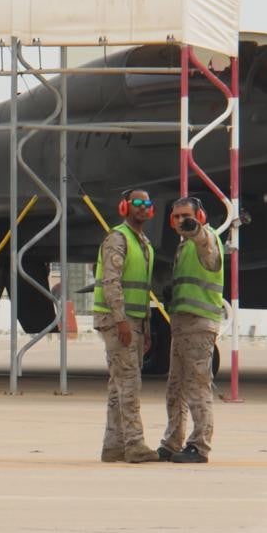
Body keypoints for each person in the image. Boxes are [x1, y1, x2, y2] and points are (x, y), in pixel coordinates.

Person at [92, 189, 161, 464]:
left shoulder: (142, 242)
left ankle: (113, 446)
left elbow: (142, 289)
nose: (143, 207)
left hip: (132, 320)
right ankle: (135, 444)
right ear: (125, 207)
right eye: (137, 203)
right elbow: (112, 281)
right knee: (129, 382)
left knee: (118, 385)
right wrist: (121, 320)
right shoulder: (118, 238)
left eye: (147, 203)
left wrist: (143, 327)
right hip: (116, 320)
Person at [160, 196, 223, 464]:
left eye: (186, 216)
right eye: (176, 217)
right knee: (175, 387)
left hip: (199, 324)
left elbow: (209, 255)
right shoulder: (183, 246)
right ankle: (172, 441)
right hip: (182, 324)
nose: (180, 221)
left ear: (200, 216)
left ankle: (200, 445)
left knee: (197, 387)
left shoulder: (204, 237)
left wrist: (196, 230)